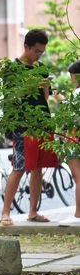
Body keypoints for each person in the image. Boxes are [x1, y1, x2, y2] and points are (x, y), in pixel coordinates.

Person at [0, 29, 57, 226]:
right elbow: (10, 98)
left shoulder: (41, 68)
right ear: (26, 47)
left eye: (42, 52)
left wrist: (43, 86)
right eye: (37, 51)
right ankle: (5, 212)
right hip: (23, 125)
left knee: (39, 168)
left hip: (43, 123)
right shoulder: (11, 68)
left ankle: (33, 211)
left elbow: (45, 98)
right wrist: (31, 86)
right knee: (20, 167)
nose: (39, 55)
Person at [60, 60, 80, 224]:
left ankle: (79, 213)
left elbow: (68, 116)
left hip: (74, 139)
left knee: (79, 177)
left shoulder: (77, 94)